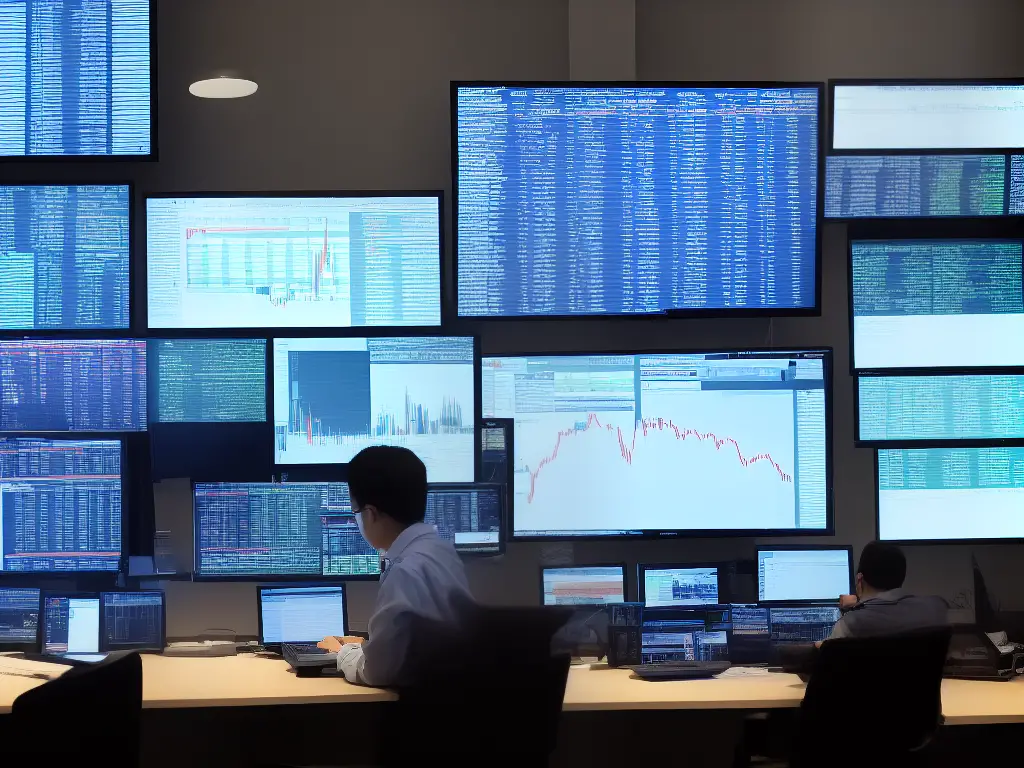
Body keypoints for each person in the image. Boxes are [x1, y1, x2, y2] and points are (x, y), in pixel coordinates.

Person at [317, 446, 474, 687]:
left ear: (370, 514)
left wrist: (341, 652)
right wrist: (366, 645)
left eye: (355, 513)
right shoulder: (442, 552)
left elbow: (376, 672)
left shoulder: (404, 571)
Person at [828, 540, 948, 640]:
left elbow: (829, 654)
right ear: (902, 576)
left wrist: (820, 646)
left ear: (860, 579)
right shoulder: (936, 608)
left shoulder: (850, 624)